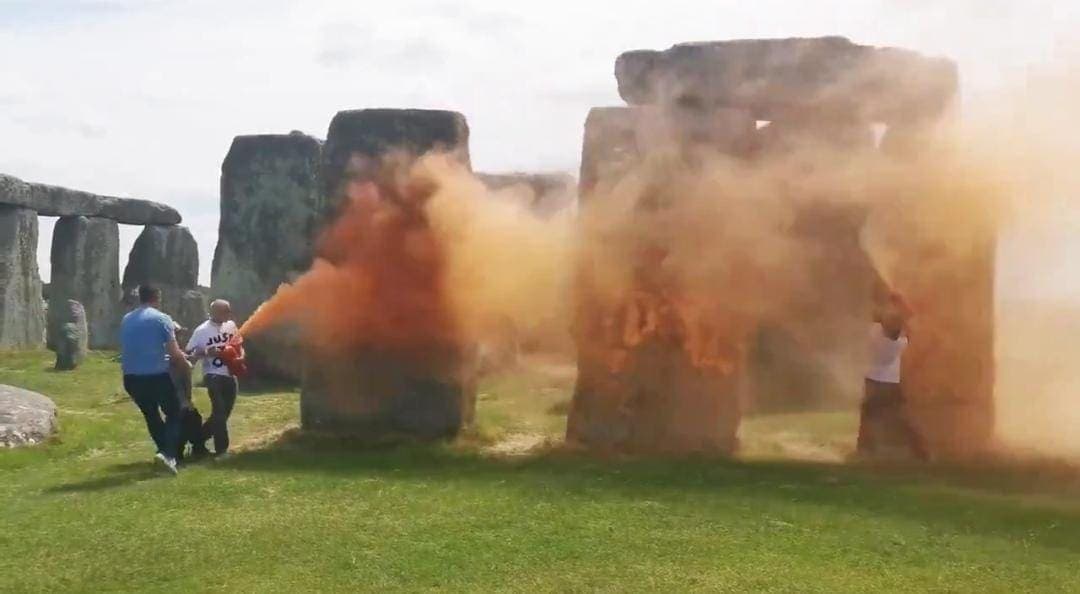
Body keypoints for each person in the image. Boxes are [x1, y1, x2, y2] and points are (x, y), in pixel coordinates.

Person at [119, 285, 190, 474]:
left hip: (131, 377)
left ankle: (164, 455)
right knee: (174, 412)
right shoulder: (162, 318)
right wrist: (186, 365)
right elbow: (174, 353)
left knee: (151, 415)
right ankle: (167, 454)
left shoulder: (126, 319)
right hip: (156, 375)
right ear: (157, 297)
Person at [857, 292, 929, 461]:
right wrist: (902, 307)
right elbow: (907, 329)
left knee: (867, 419)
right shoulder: (898, 344)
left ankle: (865, 451)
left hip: (874, 383)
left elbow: (877, 318)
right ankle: (920, 450)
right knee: (904, 419)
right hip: (891, 385)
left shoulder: (875, 333)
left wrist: (890, 302)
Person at [185, 299, 243, 457]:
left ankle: (197, 441)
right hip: (213, 375)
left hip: (230, 374)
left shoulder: (231, 325)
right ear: (214, 312)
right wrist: (207, 353)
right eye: (226, 311)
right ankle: (222, 451)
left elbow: (239, 346)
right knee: (219, 411)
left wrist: (240, 357)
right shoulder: (201, 330)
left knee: (223, 414)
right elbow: (189, 354)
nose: (229, 314)